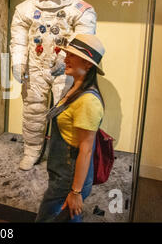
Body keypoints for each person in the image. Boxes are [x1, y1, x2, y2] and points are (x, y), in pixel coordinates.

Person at [10, 0, 97, 170]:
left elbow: (84, 40)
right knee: (33, 110)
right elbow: (18, 41)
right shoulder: (25, 9)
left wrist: (64, 59)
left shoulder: (81, 10)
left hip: (66, 68)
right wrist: (18, 62)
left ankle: (64, 158)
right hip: (35, 67)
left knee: (65, 112)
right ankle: (31, 151)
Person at [35, 33, 105, 223]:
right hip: (61, 175)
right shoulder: (75, 89)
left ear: (88, 64)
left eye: (73, 55)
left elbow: (86, 149)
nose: (67, 58)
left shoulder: (88, 101)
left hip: (69, 180)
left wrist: (75, 192)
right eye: (68, 54)